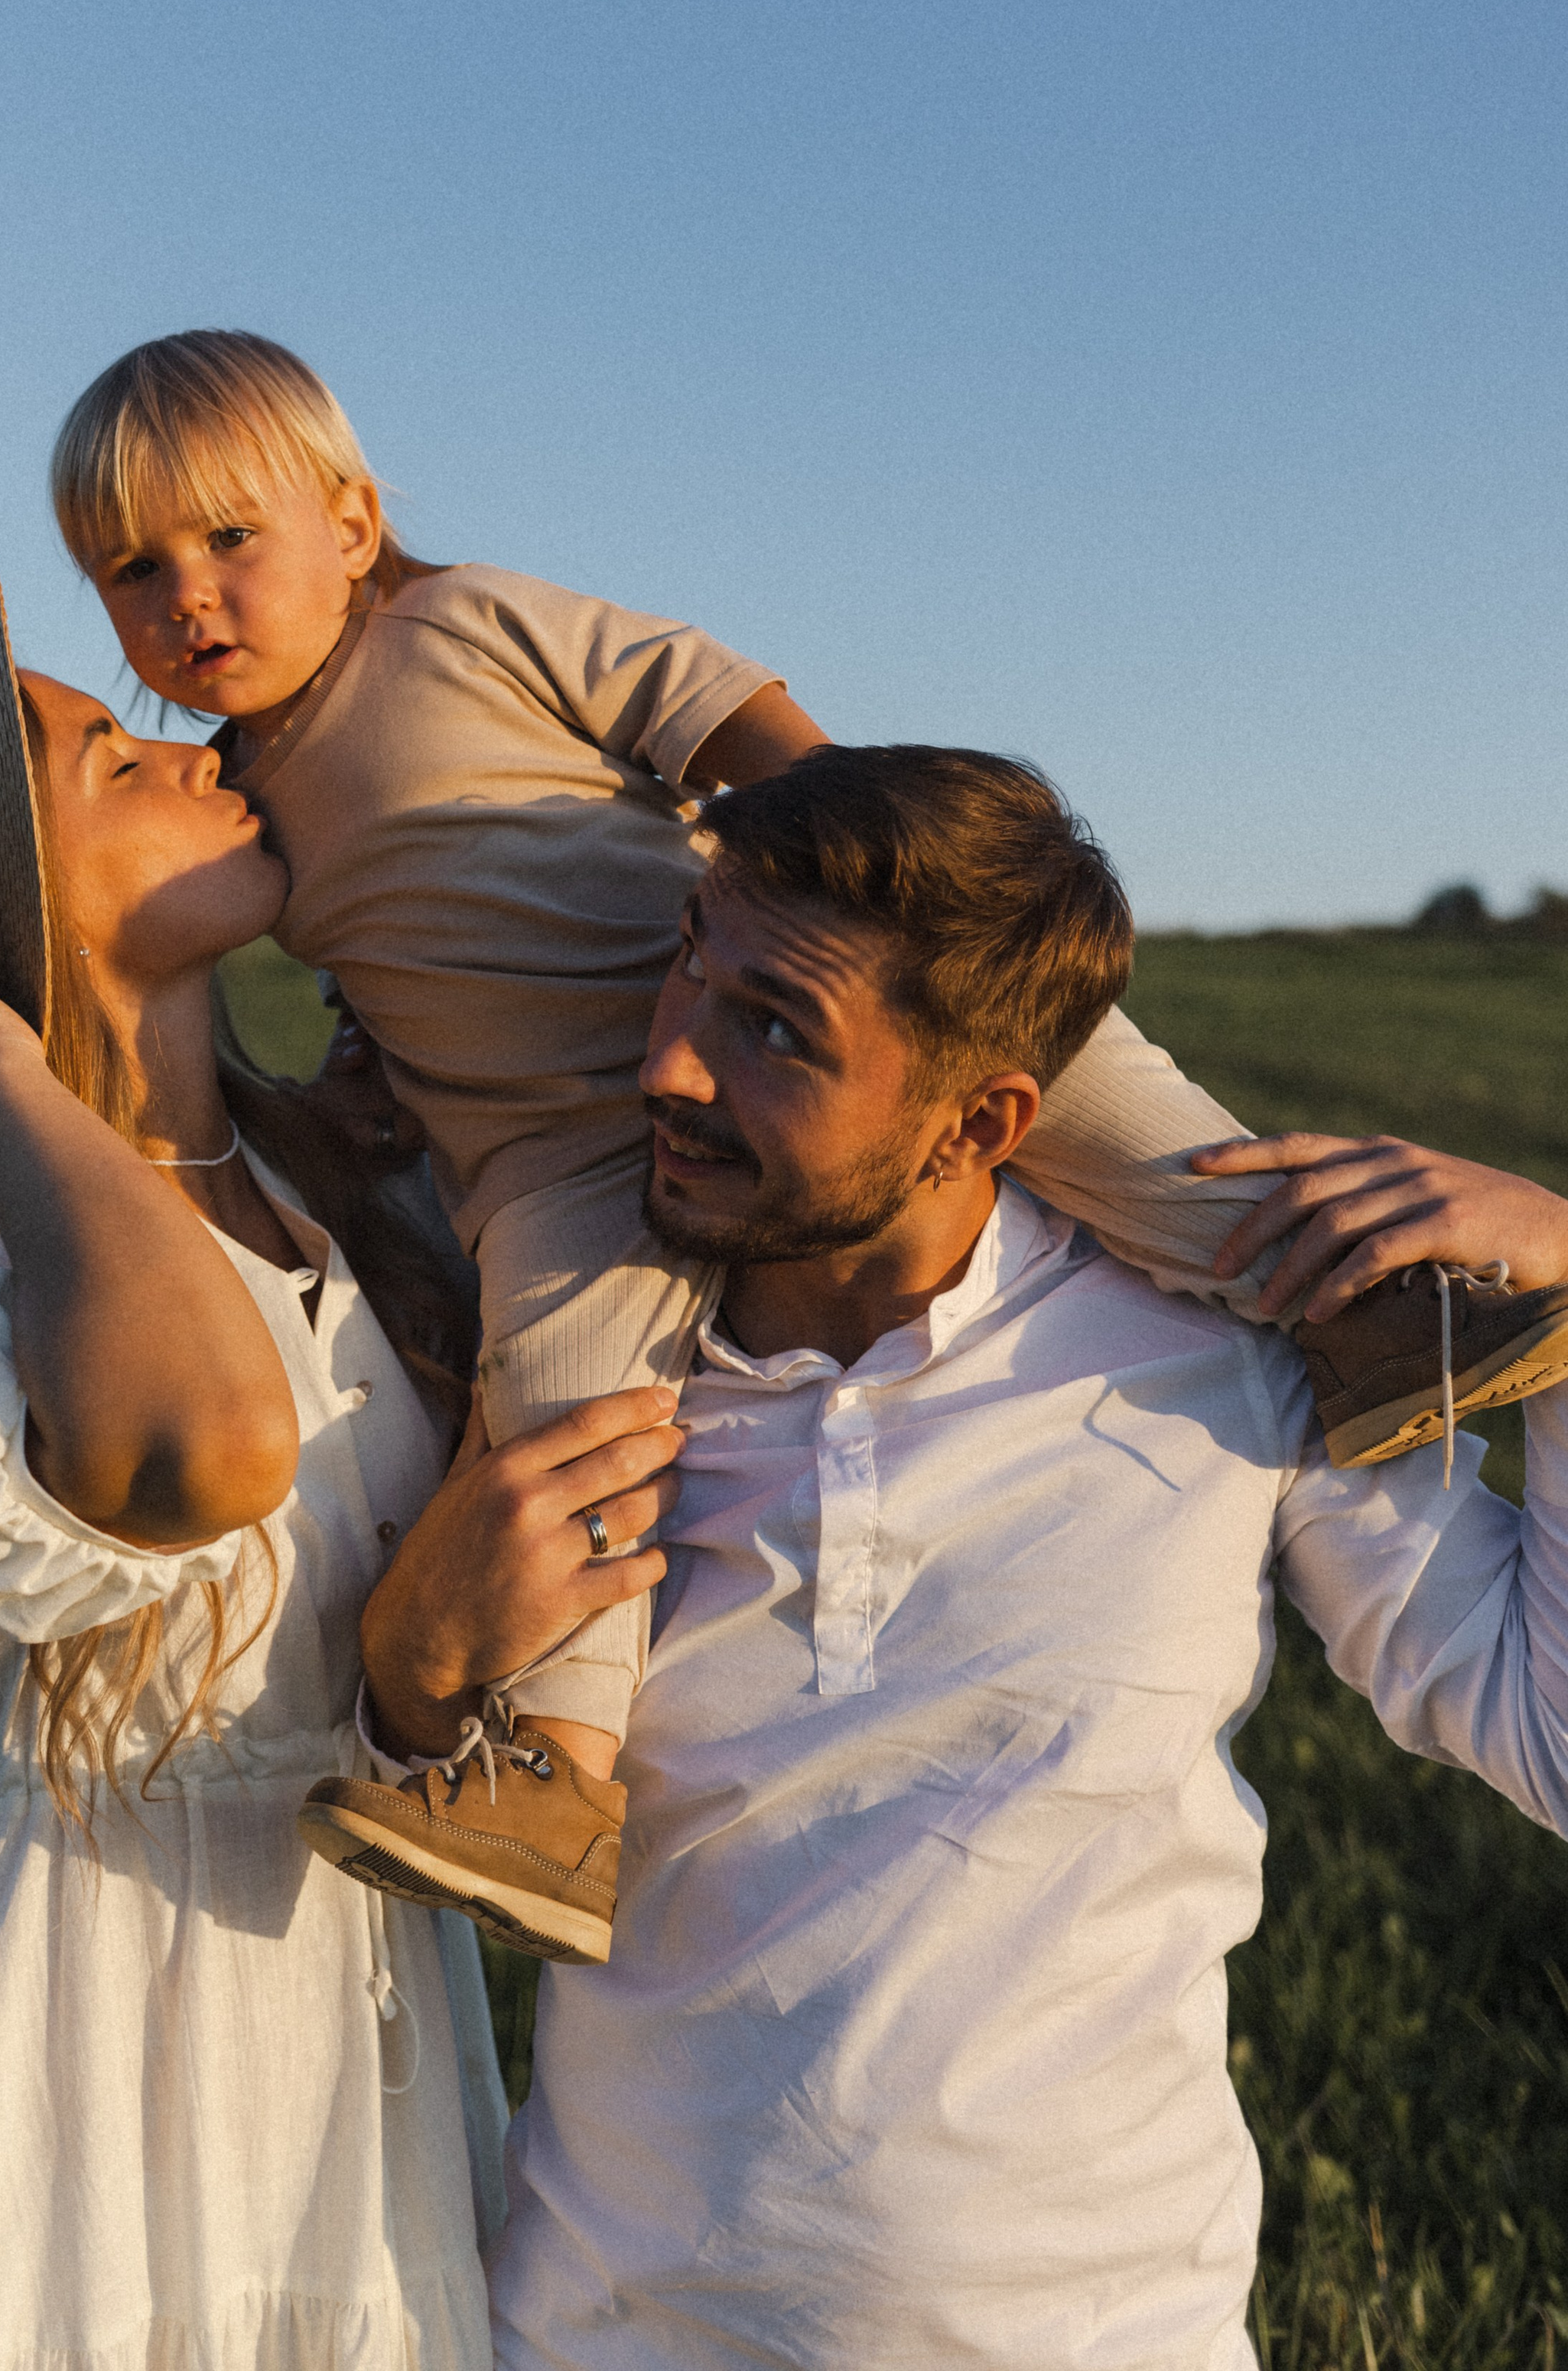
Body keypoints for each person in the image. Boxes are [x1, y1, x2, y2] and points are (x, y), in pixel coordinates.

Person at [48, 330, 1568, 1961]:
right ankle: (553, 1776)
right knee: (567, 1421)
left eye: (230, 538)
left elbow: (700, 701)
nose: (187, 599)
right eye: (133, 570)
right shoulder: (238, 802)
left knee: (1122, 1125)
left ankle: (1370, 1315)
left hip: (767, 993)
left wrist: (866, 879)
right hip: (551, 1154)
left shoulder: (464, 625)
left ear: (353, 523)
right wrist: (364, 1059)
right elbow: (388, 954)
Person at [350, 744, 1568, 2370]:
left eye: (774, 1031)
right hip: (598, 2335)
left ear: (978, 1121)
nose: (670, 1063)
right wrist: (412, 1667)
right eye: (688, 964)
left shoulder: (1229, 1354)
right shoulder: (550, 1354)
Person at [0, 533, 510, 2371]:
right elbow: (209, 1450)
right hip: (85, 2027)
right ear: (6, 912)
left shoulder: (345, 1195)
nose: (191, 747)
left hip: (356, 2010)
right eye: (110, 758)